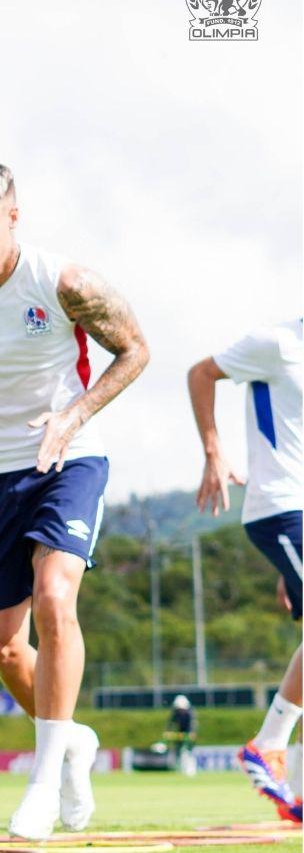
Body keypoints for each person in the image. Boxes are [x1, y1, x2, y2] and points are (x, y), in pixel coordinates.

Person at [0, 161, 149, 840]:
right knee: (2, 647)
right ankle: (72, 741)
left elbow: (135, 351)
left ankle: (43, 783)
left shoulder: (65, 282)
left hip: (67, 459)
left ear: (14, 217)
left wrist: (72, 416)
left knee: (54, 597)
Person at [187, 319, 303, 823]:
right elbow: (200, 373)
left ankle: (295, 788)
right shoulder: (278, 342)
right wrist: (214, 453)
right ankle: (268, 743)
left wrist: (288, 568)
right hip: (280, 508)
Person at [164, 694, 198, 776]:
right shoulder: (175, 712)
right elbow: (171, 722)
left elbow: (192, 723)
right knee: (178, 749)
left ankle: (190, 768)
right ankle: (179, 767)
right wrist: (168, 731)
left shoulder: (190, 712)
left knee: (188, 750)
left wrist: (192, 732)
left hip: (189, 731)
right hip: (181, 731)